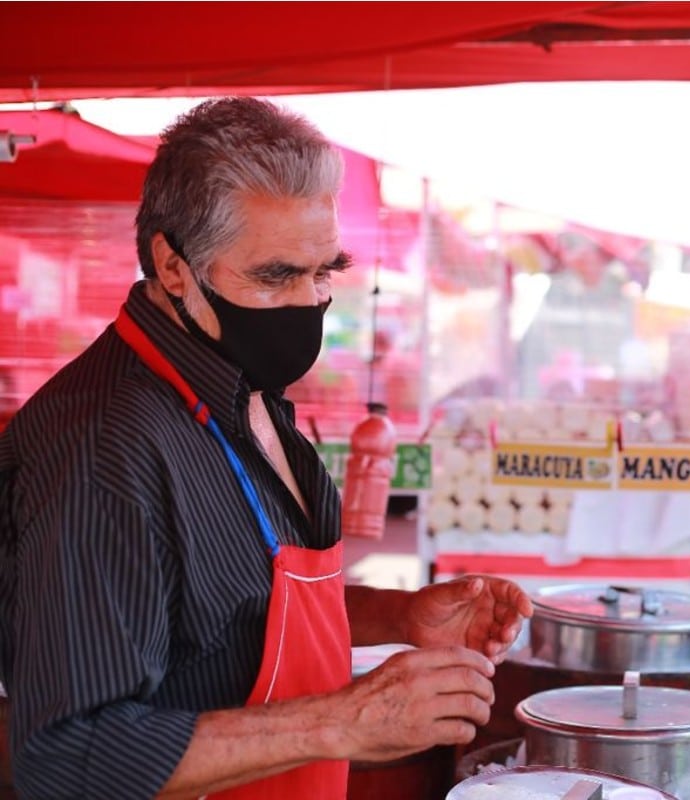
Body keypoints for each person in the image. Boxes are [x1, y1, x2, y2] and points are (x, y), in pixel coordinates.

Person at [0, 97, 533, 800]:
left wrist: (397, 617)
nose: (307, 303)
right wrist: (343, 720)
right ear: (173, 266)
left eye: (323, 273)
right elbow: (68, 755)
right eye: (275, 276)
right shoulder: (102, 451)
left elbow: (231, 612)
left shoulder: (241, 382)